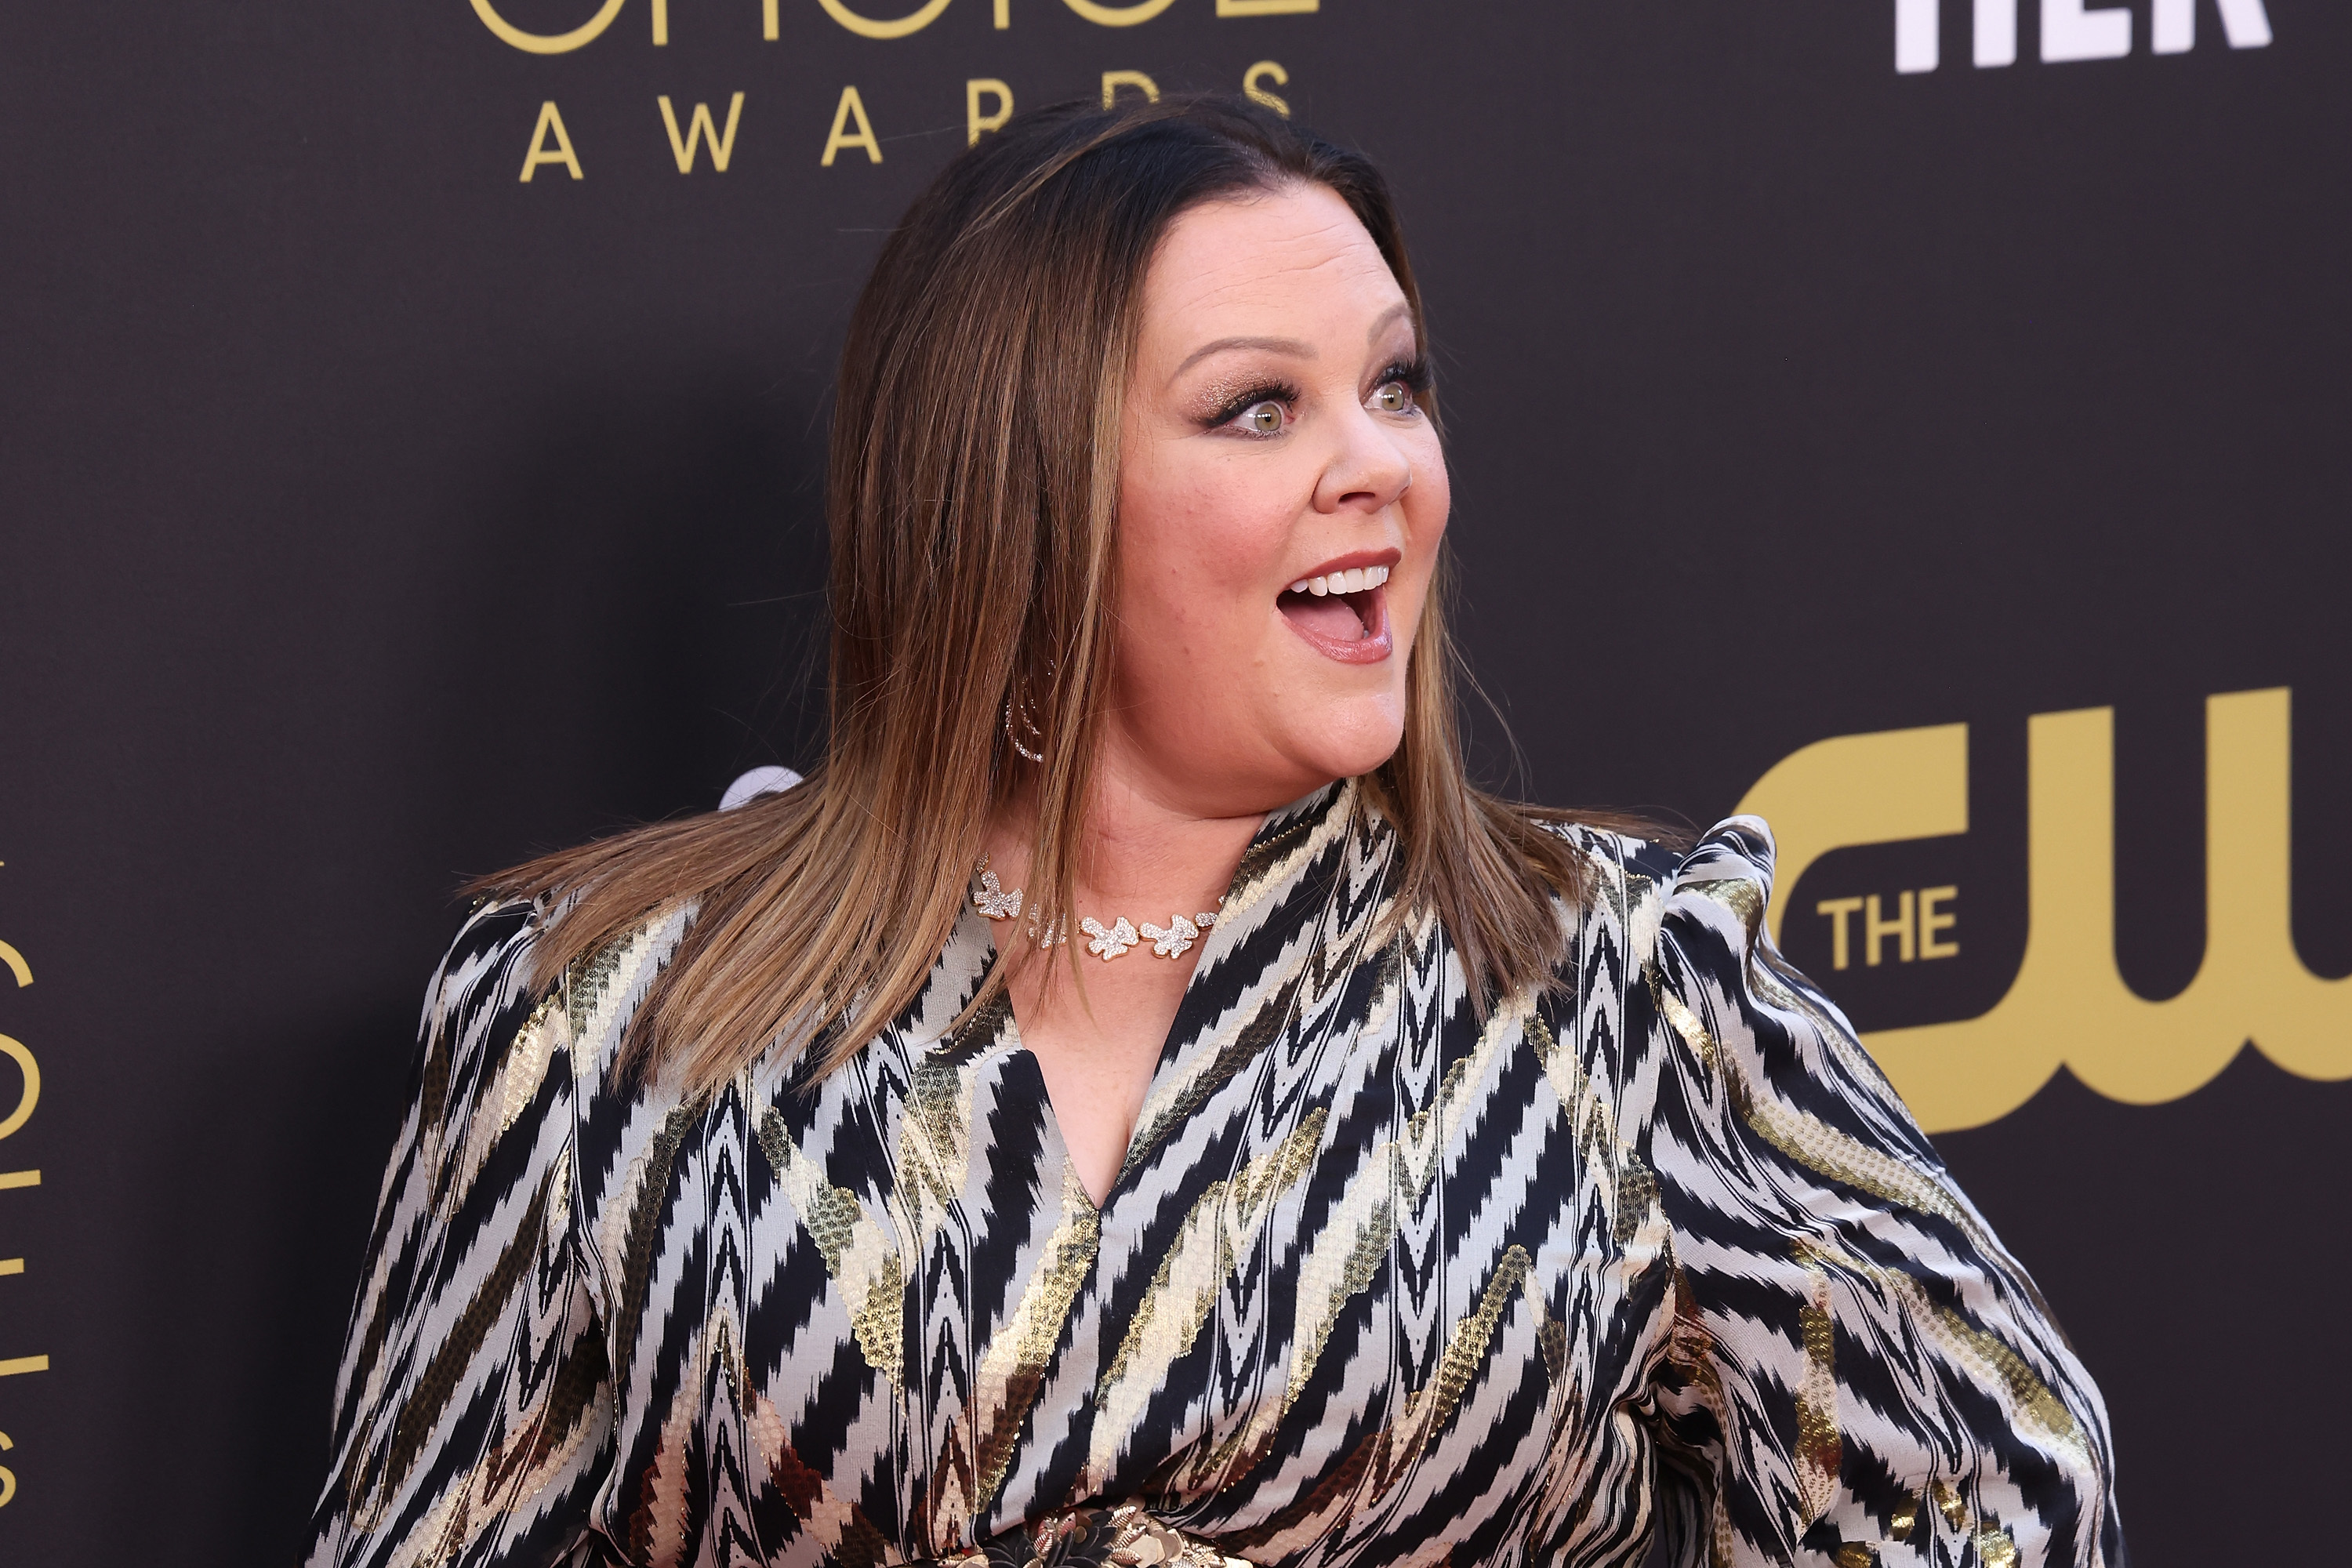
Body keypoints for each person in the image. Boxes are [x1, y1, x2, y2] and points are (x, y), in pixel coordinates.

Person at [307, 96, 2122, 1568]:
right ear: (1021, 500)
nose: (1382, 464)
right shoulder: (607, 1017)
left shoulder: (1626, 988)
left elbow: (2005, 1487)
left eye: (1395, 385)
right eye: (1261, 406)